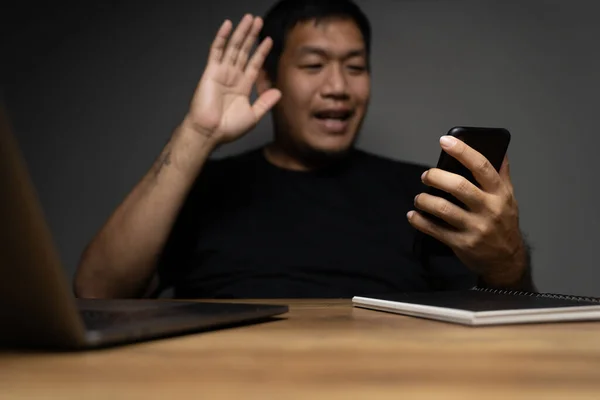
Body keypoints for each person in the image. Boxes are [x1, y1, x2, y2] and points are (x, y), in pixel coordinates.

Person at [74, 0, 534, 299]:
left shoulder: (423, 195)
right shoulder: (202, 186)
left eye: (355, 67)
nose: (338, 87)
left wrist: (507, 259)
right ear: (268, 80)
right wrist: (197, 133)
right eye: (314, 65)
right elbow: (95, 292)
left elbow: (504, 321)